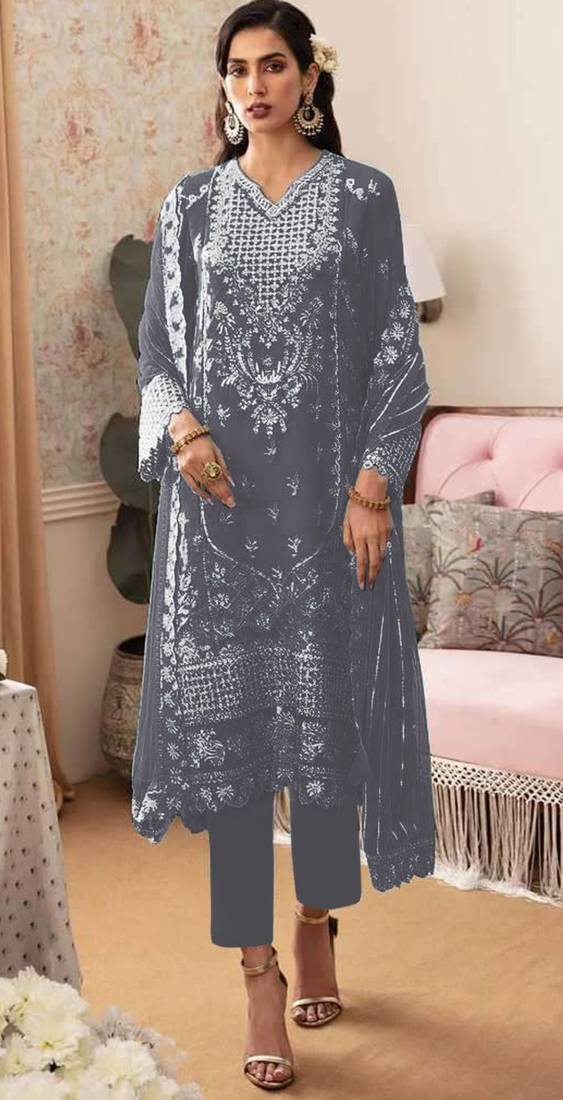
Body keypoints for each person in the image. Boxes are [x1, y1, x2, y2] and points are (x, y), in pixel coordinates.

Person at [131, 0, 436, 1090]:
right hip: (216, 525)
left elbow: (395, 353)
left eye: (272, 65)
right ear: (221, 85)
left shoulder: (361, 198)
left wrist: (371, 487)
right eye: (235, 69)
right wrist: (183, 429)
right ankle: (256, 973)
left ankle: (314, 923)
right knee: (229, 753)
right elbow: (157, 353)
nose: (252, 86)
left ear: (309, 75)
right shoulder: (189, 206)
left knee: (321, 737)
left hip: (324, 517)